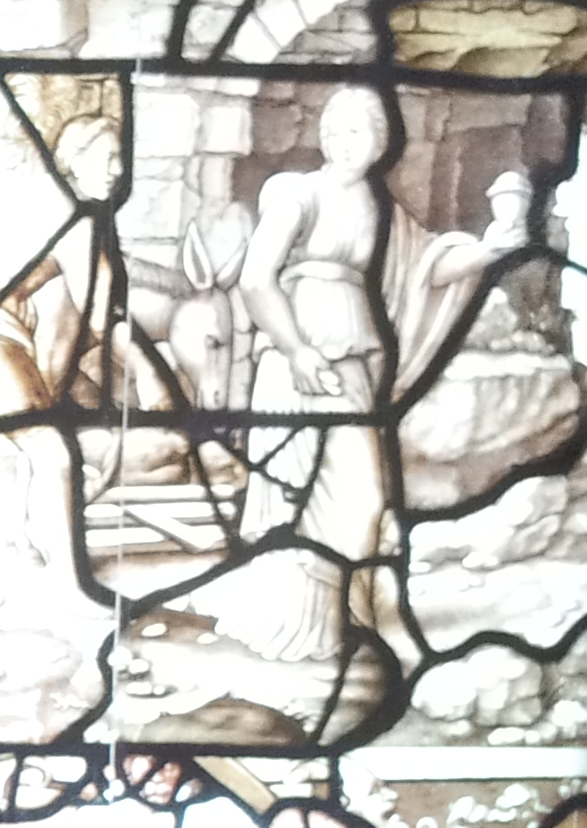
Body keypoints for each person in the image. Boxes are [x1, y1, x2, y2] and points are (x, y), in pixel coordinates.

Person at [221, 85, 517, 665]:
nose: (341, 140)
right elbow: (256, 279)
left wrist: (491, 249)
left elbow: (426, 267)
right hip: (300, 363)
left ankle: (331, 619)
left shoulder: (380, 210)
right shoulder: (298, 193)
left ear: (381, 141)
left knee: (365, 496)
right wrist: (298, 350)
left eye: (355, 130)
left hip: (353, 364)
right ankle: (295, 624)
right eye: (332, 129)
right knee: (316, 491)